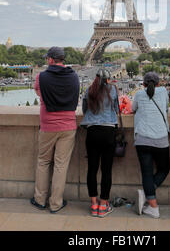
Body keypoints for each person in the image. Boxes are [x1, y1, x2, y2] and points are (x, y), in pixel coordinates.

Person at [30, 46, 79, 213]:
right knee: (61, 165)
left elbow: (38, 93)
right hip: (68, 125)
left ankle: (40, 199)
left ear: (51, 59)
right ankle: (56, 203)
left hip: (48, 125)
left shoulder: (41, 77)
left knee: (43, 162)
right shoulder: (74, 76)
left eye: (47, 58)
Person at [80, 68, 119, 217]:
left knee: (92, 169)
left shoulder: (90, 90)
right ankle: (103, 205)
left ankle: (94, 204)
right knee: (106, 170)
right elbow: (116, 109)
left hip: (92, 132)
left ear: (96, 79)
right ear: (108, 79)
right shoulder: (113, 90)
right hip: (108, 132)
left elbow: (85, 110)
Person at [131, 71, 170, 219]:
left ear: (144, 84)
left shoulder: (139, 94)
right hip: (161, 139)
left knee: (146, 173)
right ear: (158, 83)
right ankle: (148, 193)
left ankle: (152, 203)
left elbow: (133, 109)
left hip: (142, 139)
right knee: (165, 169)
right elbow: (165, 109)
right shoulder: (164, 92)